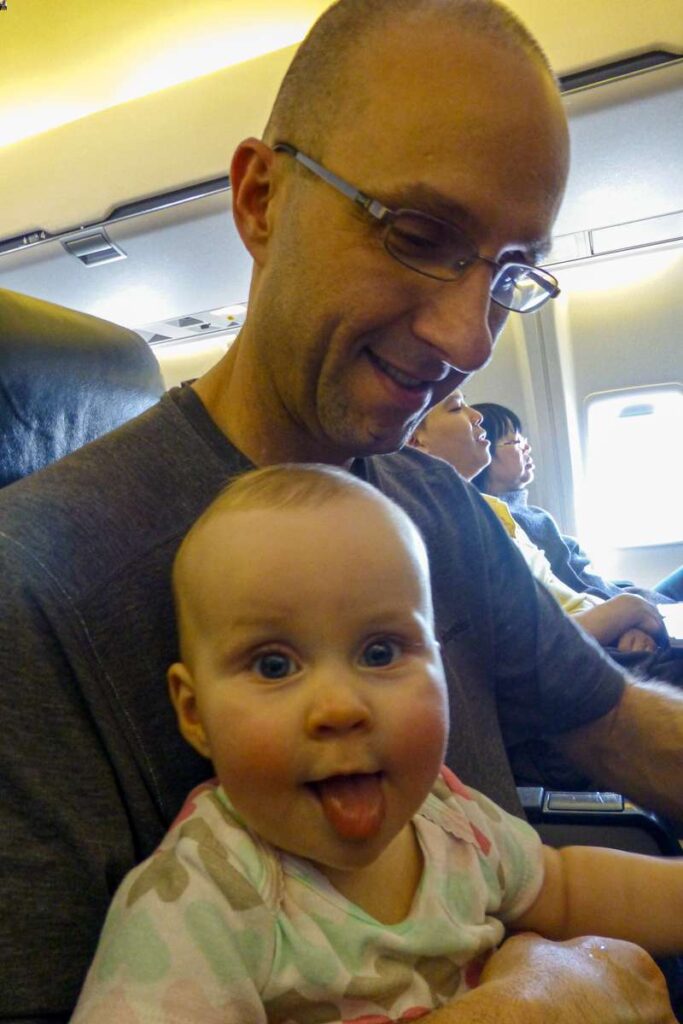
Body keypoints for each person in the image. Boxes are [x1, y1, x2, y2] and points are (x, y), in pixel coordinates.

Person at [1, 2, 682, 1021]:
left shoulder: (436, 507)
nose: (468, 337)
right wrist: (539, 999)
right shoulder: (33, 595)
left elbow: (613, 724)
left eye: (507, 275)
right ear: (260, 199)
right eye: (417, 236)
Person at [72, 464, 683, 1023]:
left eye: (381, 652)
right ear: (195, 713)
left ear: (442, 668)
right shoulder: (199, 904)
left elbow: (566, 885)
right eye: (275, 666)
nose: (340, 707)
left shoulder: (449, 818)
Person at [410, 389, 671, 655]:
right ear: (416, 441)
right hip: (585, 655)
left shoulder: (488, 509)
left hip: (603, 637)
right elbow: (518, 648)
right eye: (456, 408)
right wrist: (627, 611)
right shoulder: (446, 530)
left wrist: (626, 620)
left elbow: (567, 598)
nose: (476, 415)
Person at [471, 402, 683, 603]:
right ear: (483, 455)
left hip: (621, 596)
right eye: (515, 441)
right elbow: (575, 589)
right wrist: (632, 605)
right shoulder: (510, 522)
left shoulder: (527, 514)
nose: (527, 447)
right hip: (620, 607)